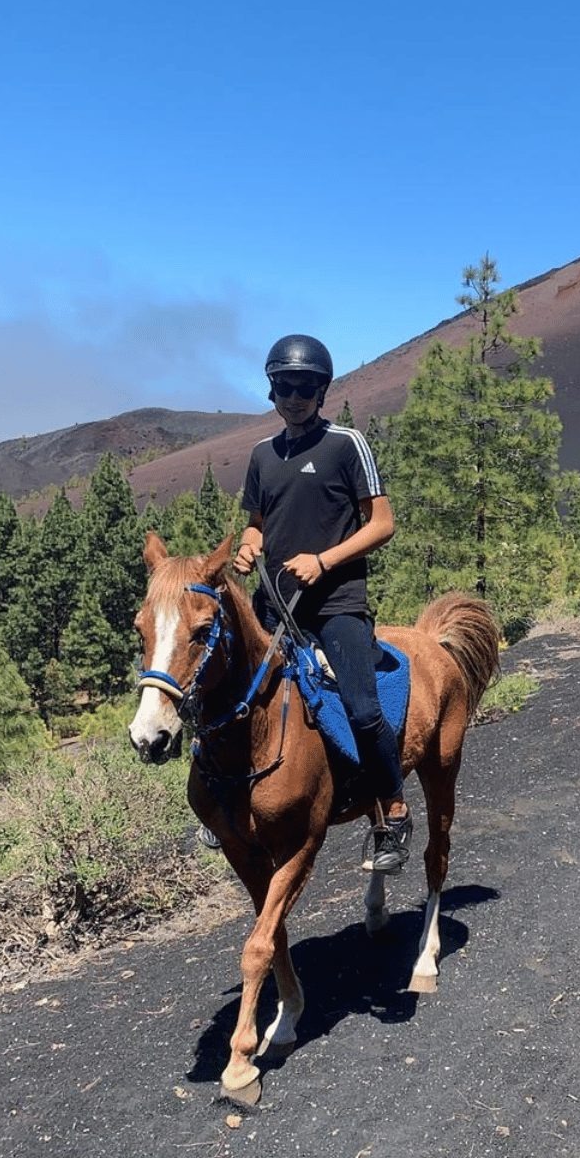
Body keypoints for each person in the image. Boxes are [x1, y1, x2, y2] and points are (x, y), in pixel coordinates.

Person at [226, 333, 410, 874]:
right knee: (226, 695)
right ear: (272, 389)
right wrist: (248, 542)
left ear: (322, 390)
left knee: (361, 707)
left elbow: (383, 523)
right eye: (285, 384)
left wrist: (324, 561)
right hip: (275, 603)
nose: (294, 395)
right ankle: (227, 805)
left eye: (305, 386)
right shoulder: (263, 454)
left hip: (336, 602)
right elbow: (257, 523)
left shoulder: (345, 443)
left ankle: (393, 815)